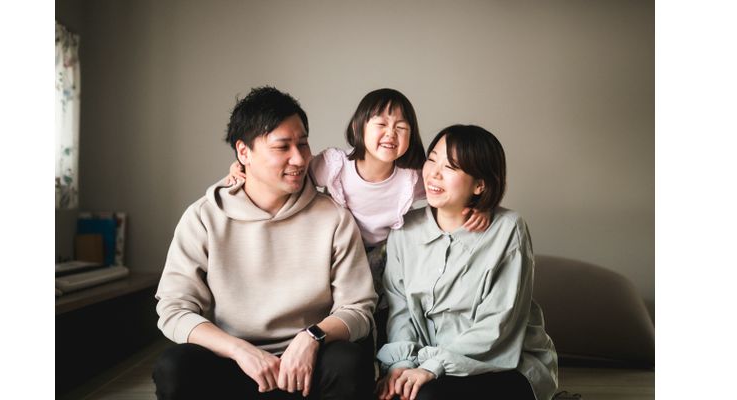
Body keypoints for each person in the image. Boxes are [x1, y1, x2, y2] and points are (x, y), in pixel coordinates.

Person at [152, 86, 378, 400]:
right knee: (174, 367)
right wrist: (238, 350)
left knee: (350, 363)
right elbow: (174, 309)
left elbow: (358, 308)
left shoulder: (334, 217)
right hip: (233, 362)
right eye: (282, 146)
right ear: (244, 152)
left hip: (306, 365)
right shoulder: (203, 217)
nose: (299, 158)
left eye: (303, 144)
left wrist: (312, 337)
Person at [225, 88, 490, 347]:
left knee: (383, 311)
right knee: (332, 307)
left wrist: (480, 206)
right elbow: (292, 173)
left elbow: (449, 191)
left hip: (382, 256)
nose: (391, 133)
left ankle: (385, 354)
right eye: (381, 124)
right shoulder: (336, 165)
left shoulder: (410, 178)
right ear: (358, 127)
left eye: (401, 127)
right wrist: (244, 167)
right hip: (335, 250)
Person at [376, 125, 558, 400]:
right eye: (432, 160)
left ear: (479, 184)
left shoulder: (508, 228)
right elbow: (400, 310)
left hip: (502, 364)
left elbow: (498, 324)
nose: (434, 173)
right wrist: (401, 365)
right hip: (426, 365)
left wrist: (433, 367)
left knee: (427, 396)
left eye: (450, 167)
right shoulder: (405, 230)